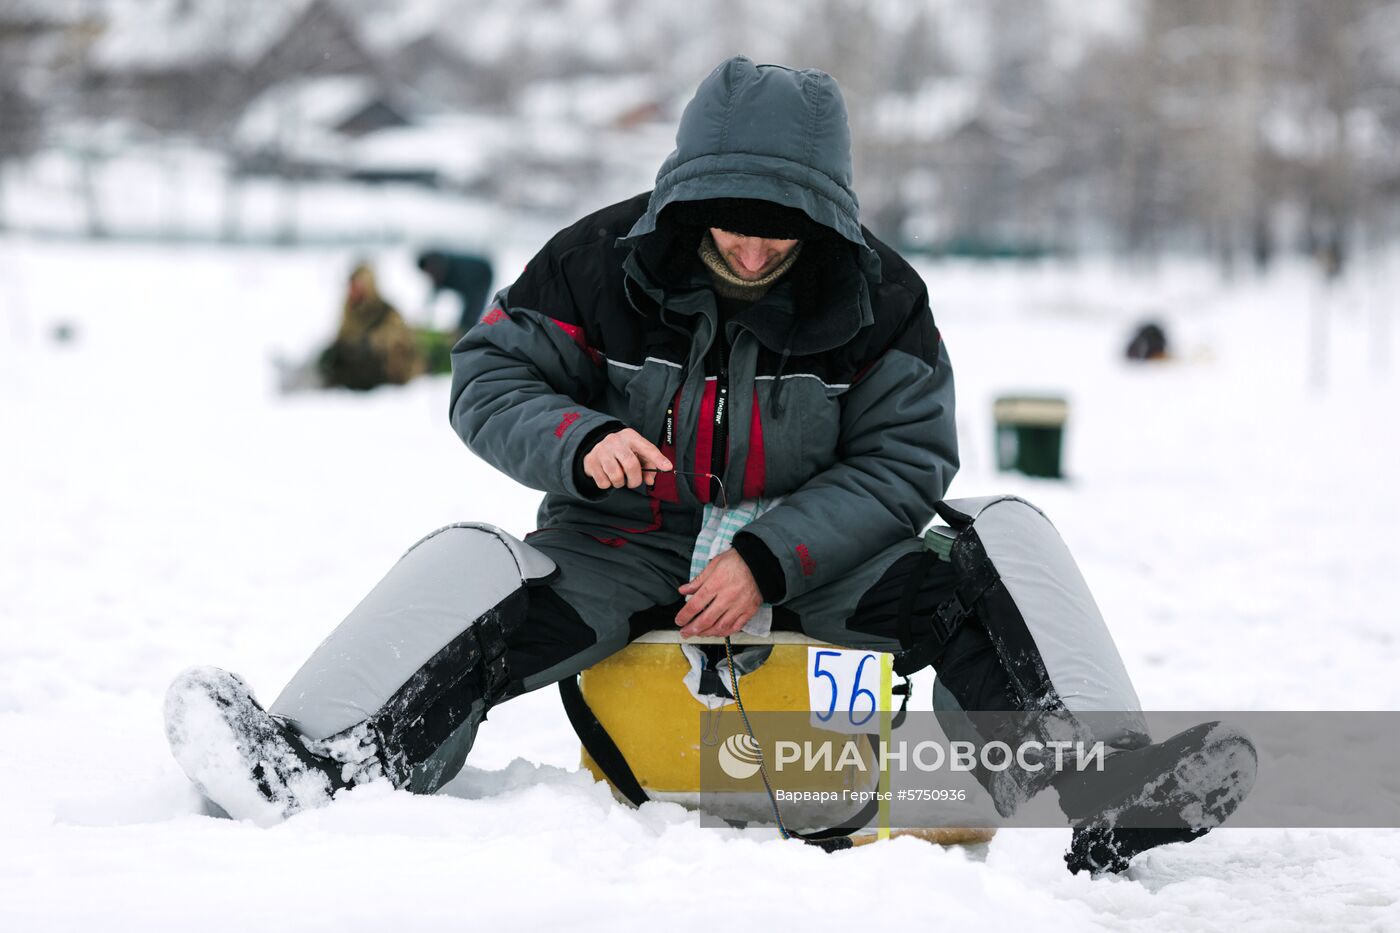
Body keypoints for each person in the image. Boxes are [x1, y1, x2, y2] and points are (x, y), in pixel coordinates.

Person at [165, 58, 1254, 876]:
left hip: (821, 557)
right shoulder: (593, 261)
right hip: (617, 544)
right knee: (474, 563)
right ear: (686, 193)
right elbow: (487, 378)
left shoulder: (880, 297)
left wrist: (770, 560)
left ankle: (1106, 788)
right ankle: (313, 764)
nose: (750, 247)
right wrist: (580, 442)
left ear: (823, 212)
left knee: (1000, 532)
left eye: (779, 229)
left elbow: (907, 457)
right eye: (729, 222)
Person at [318, 262, 425, 390]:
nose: (354, 290)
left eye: (358, 285)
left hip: (385, 371)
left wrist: (370, 342)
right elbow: (344, 335)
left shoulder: (386, 310)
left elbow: (400, 339)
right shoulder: (351, 310)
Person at [417, 249, 495, 332]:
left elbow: (471, 301)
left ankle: (466, 333)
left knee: (471, 313)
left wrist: (464, 325)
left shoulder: (456, 272)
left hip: (481, 275)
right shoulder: (440, 271)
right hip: (473, 276)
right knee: (469, 315)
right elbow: (435, 293)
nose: (431, 275)